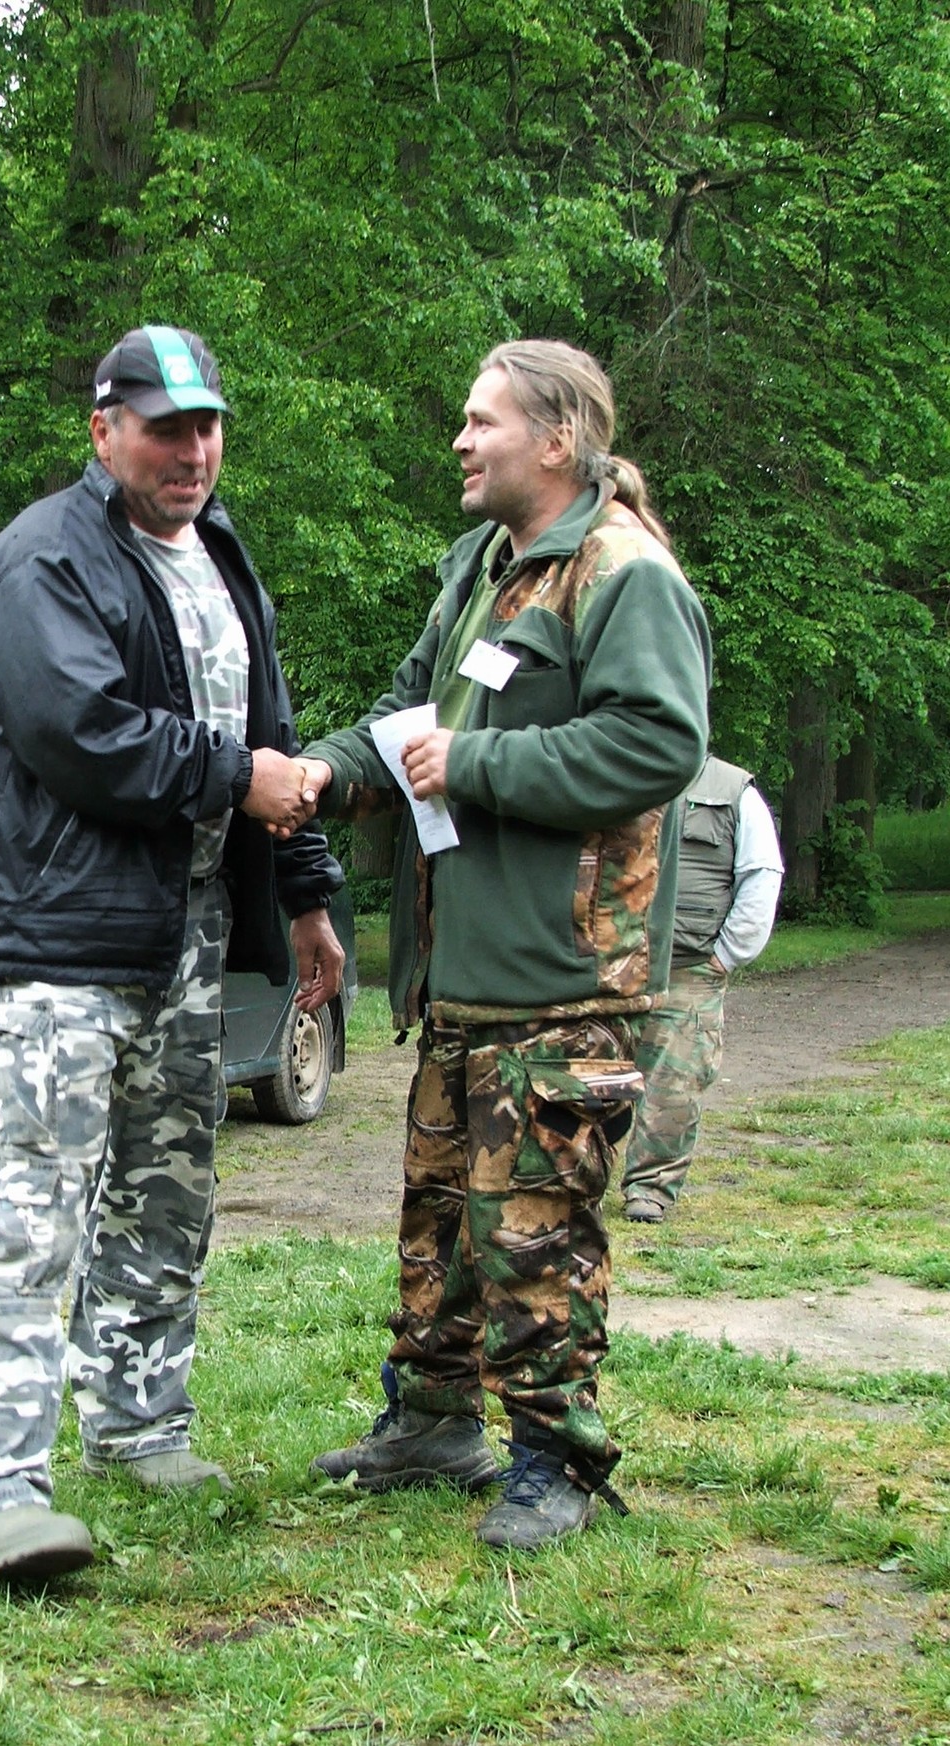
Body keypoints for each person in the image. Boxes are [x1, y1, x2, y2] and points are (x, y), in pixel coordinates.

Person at [0, 323, 345, 1581]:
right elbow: (85, 736)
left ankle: (139, 1424)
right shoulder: (42, 557)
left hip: (192, 934)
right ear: (104, 431)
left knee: (167, 1192)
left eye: (207, 426)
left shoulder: (220, 553)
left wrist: (307, 894)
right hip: (66, 943)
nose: (192, 451)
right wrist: (239, 776)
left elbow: (271, 729)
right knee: (26, 1211)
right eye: (165, 428)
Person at [297, 339, 711, 1551]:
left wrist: (476, 764)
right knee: (441, 1220)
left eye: (484, 422)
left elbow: (657, 743)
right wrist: (321, 774)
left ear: (558, 438)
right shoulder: (481, 567)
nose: (461, 441)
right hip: (464, 975)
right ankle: (432, 1422)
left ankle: (556, 1461)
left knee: (534, 1232)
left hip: (565, 976)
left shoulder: (623, 572)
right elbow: (407, 719)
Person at [621, 754, 783, 1223]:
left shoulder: (734, 792)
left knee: (674, 1085)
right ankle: (574, 1185)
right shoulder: (617, 767)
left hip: (689, 970)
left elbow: (761, 875)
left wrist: (726, 955)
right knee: (585, 1077)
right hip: (608, 964)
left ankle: (650, 1188)